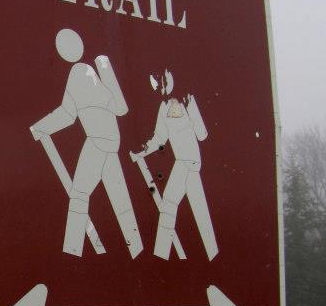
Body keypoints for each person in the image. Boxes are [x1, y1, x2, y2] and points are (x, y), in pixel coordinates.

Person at [30, 28, 143, 258]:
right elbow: (72, 113)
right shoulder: (89, 72)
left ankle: (71, 251)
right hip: (111, 144)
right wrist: (41, 127)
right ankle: (138, 251)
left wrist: (40, 127)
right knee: (121, 203)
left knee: (80, 194)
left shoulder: (83, 72)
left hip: (98, 143)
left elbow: (69, 113)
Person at [131, 69, 218, 260]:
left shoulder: (187, 100)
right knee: (173, 205)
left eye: (161, 80)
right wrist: (141, 152)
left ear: (170, 77)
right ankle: (161, 256)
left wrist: (191, 111)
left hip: (192, 163)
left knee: (194, 209)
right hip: (181, 163)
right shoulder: (163, 107)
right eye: (156, 82)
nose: (159, 85)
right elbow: (160, 137)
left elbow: (202, 135)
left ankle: (211, 255)